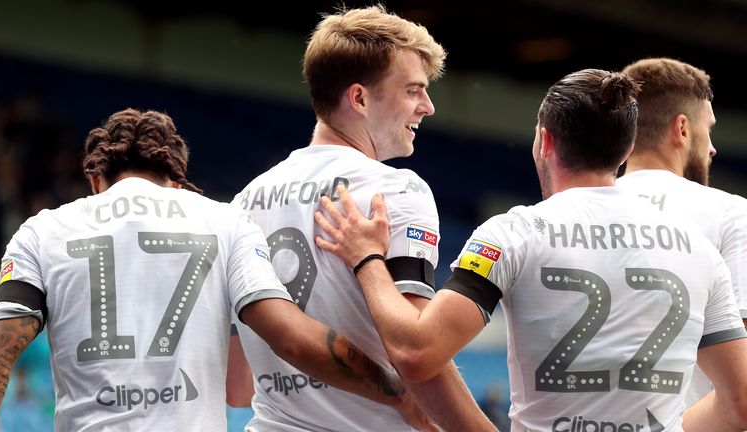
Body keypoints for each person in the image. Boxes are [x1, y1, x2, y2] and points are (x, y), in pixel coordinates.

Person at [315, 69, 747, 431]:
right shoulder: (698, 249)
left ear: (545, 142)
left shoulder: (515, 232)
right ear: (625, 150)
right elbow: (739, 404)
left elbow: (417, 353)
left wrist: (367, 259)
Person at [0, 108, 434, 432]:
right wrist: (397, 394)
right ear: (176, 179)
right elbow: (292, 337)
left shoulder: (41, 232)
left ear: (95, 181)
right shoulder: (222, 220)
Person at [231, 5, 495, 431]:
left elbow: (235, 385)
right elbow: (416, 358)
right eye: (412, 91)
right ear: (359, 98)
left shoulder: (243, 202)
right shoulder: (393, 191)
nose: (427, 106)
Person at [616, 57, 747, 408]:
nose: (712, 148)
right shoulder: (731, 214)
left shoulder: (572, 211)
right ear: (683, 129)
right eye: (710, 130)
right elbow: (742, 384)